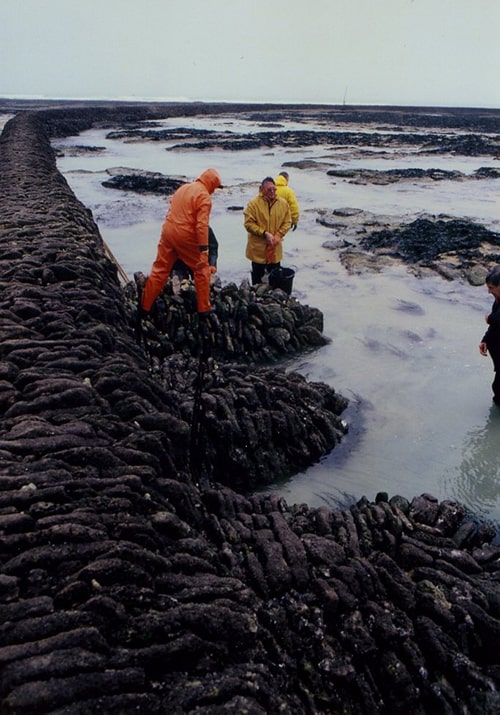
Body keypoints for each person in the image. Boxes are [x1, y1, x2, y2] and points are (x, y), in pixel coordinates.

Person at [140, 168, 222, 315]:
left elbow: (172, 207)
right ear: (211, 183)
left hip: (168, 230)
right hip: (185, 234)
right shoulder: (204, 196)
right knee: (201, 269)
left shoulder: (183, 188)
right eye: (215, 188)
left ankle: (145, 306)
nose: (214, 191)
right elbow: (202, 226)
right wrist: (204, 251)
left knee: (160, 269)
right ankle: (204, 307)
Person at [244, 176, 292, 285]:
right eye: (269, 189)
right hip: (258, 251)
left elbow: (287, 222)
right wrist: (264, 233)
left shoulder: (283, 204)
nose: (272, 192)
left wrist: (278, 235)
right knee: (257, 280)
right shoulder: (253, 204)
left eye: (274, 189)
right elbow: (248, 224)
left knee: (276, 279)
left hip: (275, 250)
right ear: (261, 189)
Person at [479, 266, 500, 404]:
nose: (489, 292)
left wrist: (490, 319)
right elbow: (495, 324)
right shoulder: (498, 301)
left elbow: (495, 319)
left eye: (491, 288)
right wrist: (485, 340)